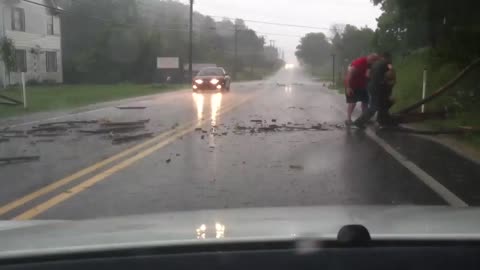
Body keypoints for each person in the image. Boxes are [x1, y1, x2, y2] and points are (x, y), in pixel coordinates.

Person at [353, 52, 393, 128]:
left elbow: (367, 75)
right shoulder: (387, 63)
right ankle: (359, 122)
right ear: (388, 57)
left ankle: (382, 120)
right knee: (374, 107)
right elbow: (391, 73)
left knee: (383, 104)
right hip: (379, 87)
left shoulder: (374, 64)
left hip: (372, 86)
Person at [344, 54, 380, 125]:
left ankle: (364, 118)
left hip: (363, 85)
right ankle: (348, 119)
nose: (375, 64)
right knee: (352, 102)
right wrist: (348, 87)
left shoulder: (369, 64)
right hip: (352, 85)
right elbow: (349, 75)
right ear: (372, 60)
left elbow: (368, 75)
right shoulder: (359, 63)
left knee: (365, 101)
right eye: (375, 62)